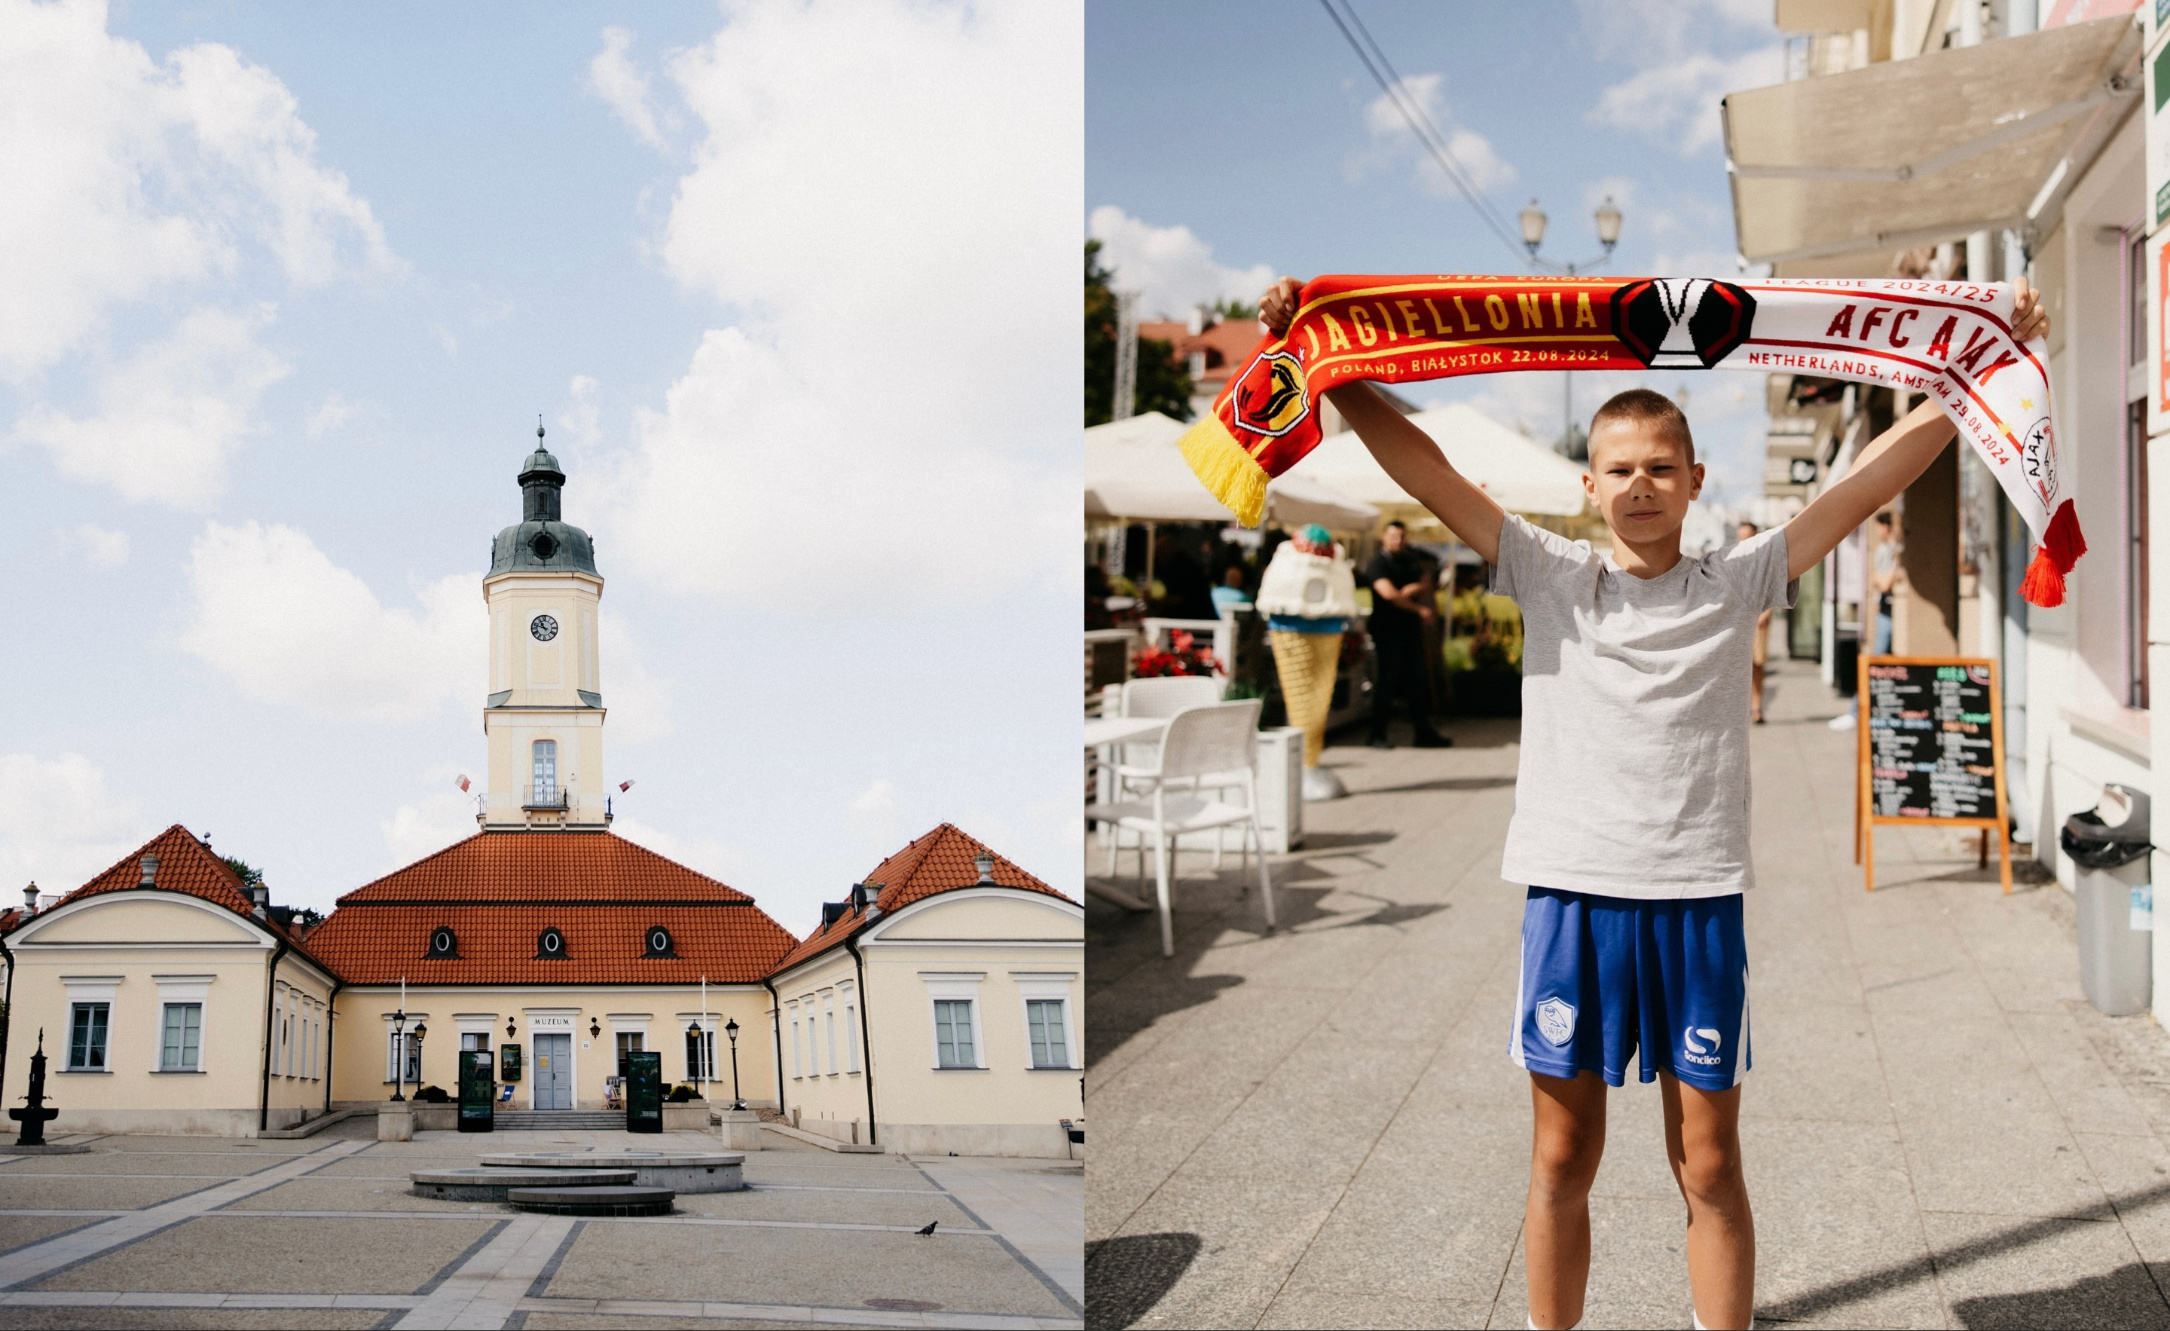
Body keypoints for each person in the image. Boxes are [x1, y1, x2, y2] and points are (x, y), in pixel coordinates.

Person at [1259, 273, 2047, 1331]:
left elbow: (1858, 485)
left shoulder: (1736, 580)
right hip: (1573, 900)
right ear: (1591, 485)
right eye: (1620, 469)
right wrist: (1333, 367)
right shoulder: (1549, 575)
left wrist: (1974, 371)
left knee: (1710, 1162)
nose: (1640, 486)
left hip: (1694, 897)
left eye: (1660, 468)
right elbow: (1427, 467)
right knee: (1560, 1153)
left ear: (1693, 479)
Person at [1255, 525, 1358, 800]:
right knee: (1308, 701)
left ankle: (1307, 762)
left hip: (1303, 624)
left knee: (1308, 700)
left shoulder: (1286, 560)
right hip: (1309, 624)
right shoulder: (1300, 558)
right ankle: (1305, 763)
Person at [1364, 520, 1451, 748]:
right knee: (1388, 680)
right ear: (1384, 537)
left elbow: (1428, 583)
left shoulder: (1410, 559)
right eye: (1393, 536)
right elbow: (1389, 594)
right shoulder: (1377, 564)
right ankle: (1377, 734)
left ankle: (1423, 732)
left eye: (1402, 537)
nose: (1398, 541)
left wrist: (1416, 589)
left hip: (1410, 629)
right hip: (1387, 629)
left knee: (1417, 680)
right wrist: (1419, 608)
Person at [1738, 521, 1771, 724]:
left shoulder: (1763, 559)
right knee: (1739, 667)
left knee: (1757, 664)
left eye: (1747, 536)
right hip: (1738, 621)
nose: (1743, 540)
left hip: (1758, 620)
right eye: (1740, 536)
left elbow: (1774, 587)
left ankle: (1756, 708)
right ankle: (1742, 709)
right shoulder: (1732, 559)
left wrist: (1766, 613)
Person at [1869, 510, 1901, 655]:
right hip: (1883, 603)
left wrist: (1877, 580)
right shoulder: (1883, 548)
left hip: (1889, 603)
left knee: (1880, 651)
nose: (1877, 531)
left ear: (1885, 526)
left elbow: (1885, 583)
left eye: (1877, 527)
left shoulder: (1893, 549)